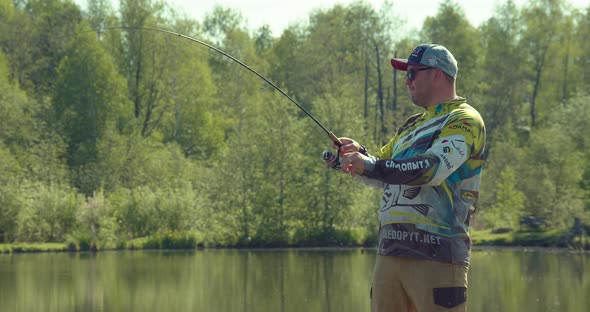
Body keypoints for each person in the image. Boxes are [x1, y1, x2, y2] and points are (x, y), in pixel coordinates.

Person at [334, 44, 486, 312]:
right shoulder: (411, 125)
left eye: (413, 73)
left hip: (438, 255)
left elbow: (431, 170)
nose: (407, 81)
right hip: (389, 255)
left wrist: (370, 164)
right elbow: (383, 170)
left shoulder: (464, 120)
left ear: (437, 74)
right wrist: (353, 157)